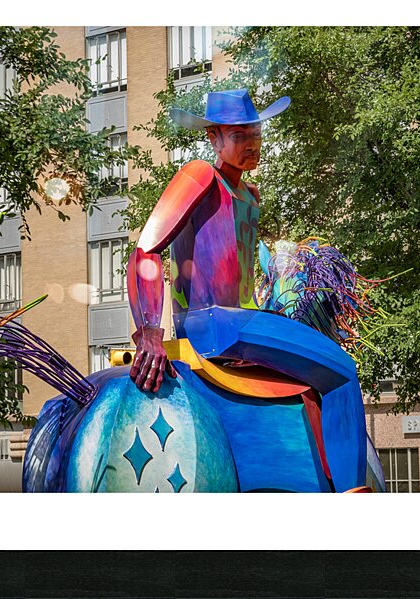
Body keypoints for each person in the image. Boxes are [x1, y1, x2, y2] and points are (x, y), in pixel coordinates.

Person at [124, 89, 372, 492]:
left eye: (255, 133)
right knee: (343, 372)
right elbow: (147, 249)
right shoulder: (199, 175)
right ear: (214, 139)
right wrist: (150, 330)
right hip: (217, 325)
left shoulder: (250, 198)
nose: (252, 143)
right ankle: (353, 497)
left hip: (244, 319)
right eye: (239, 135)